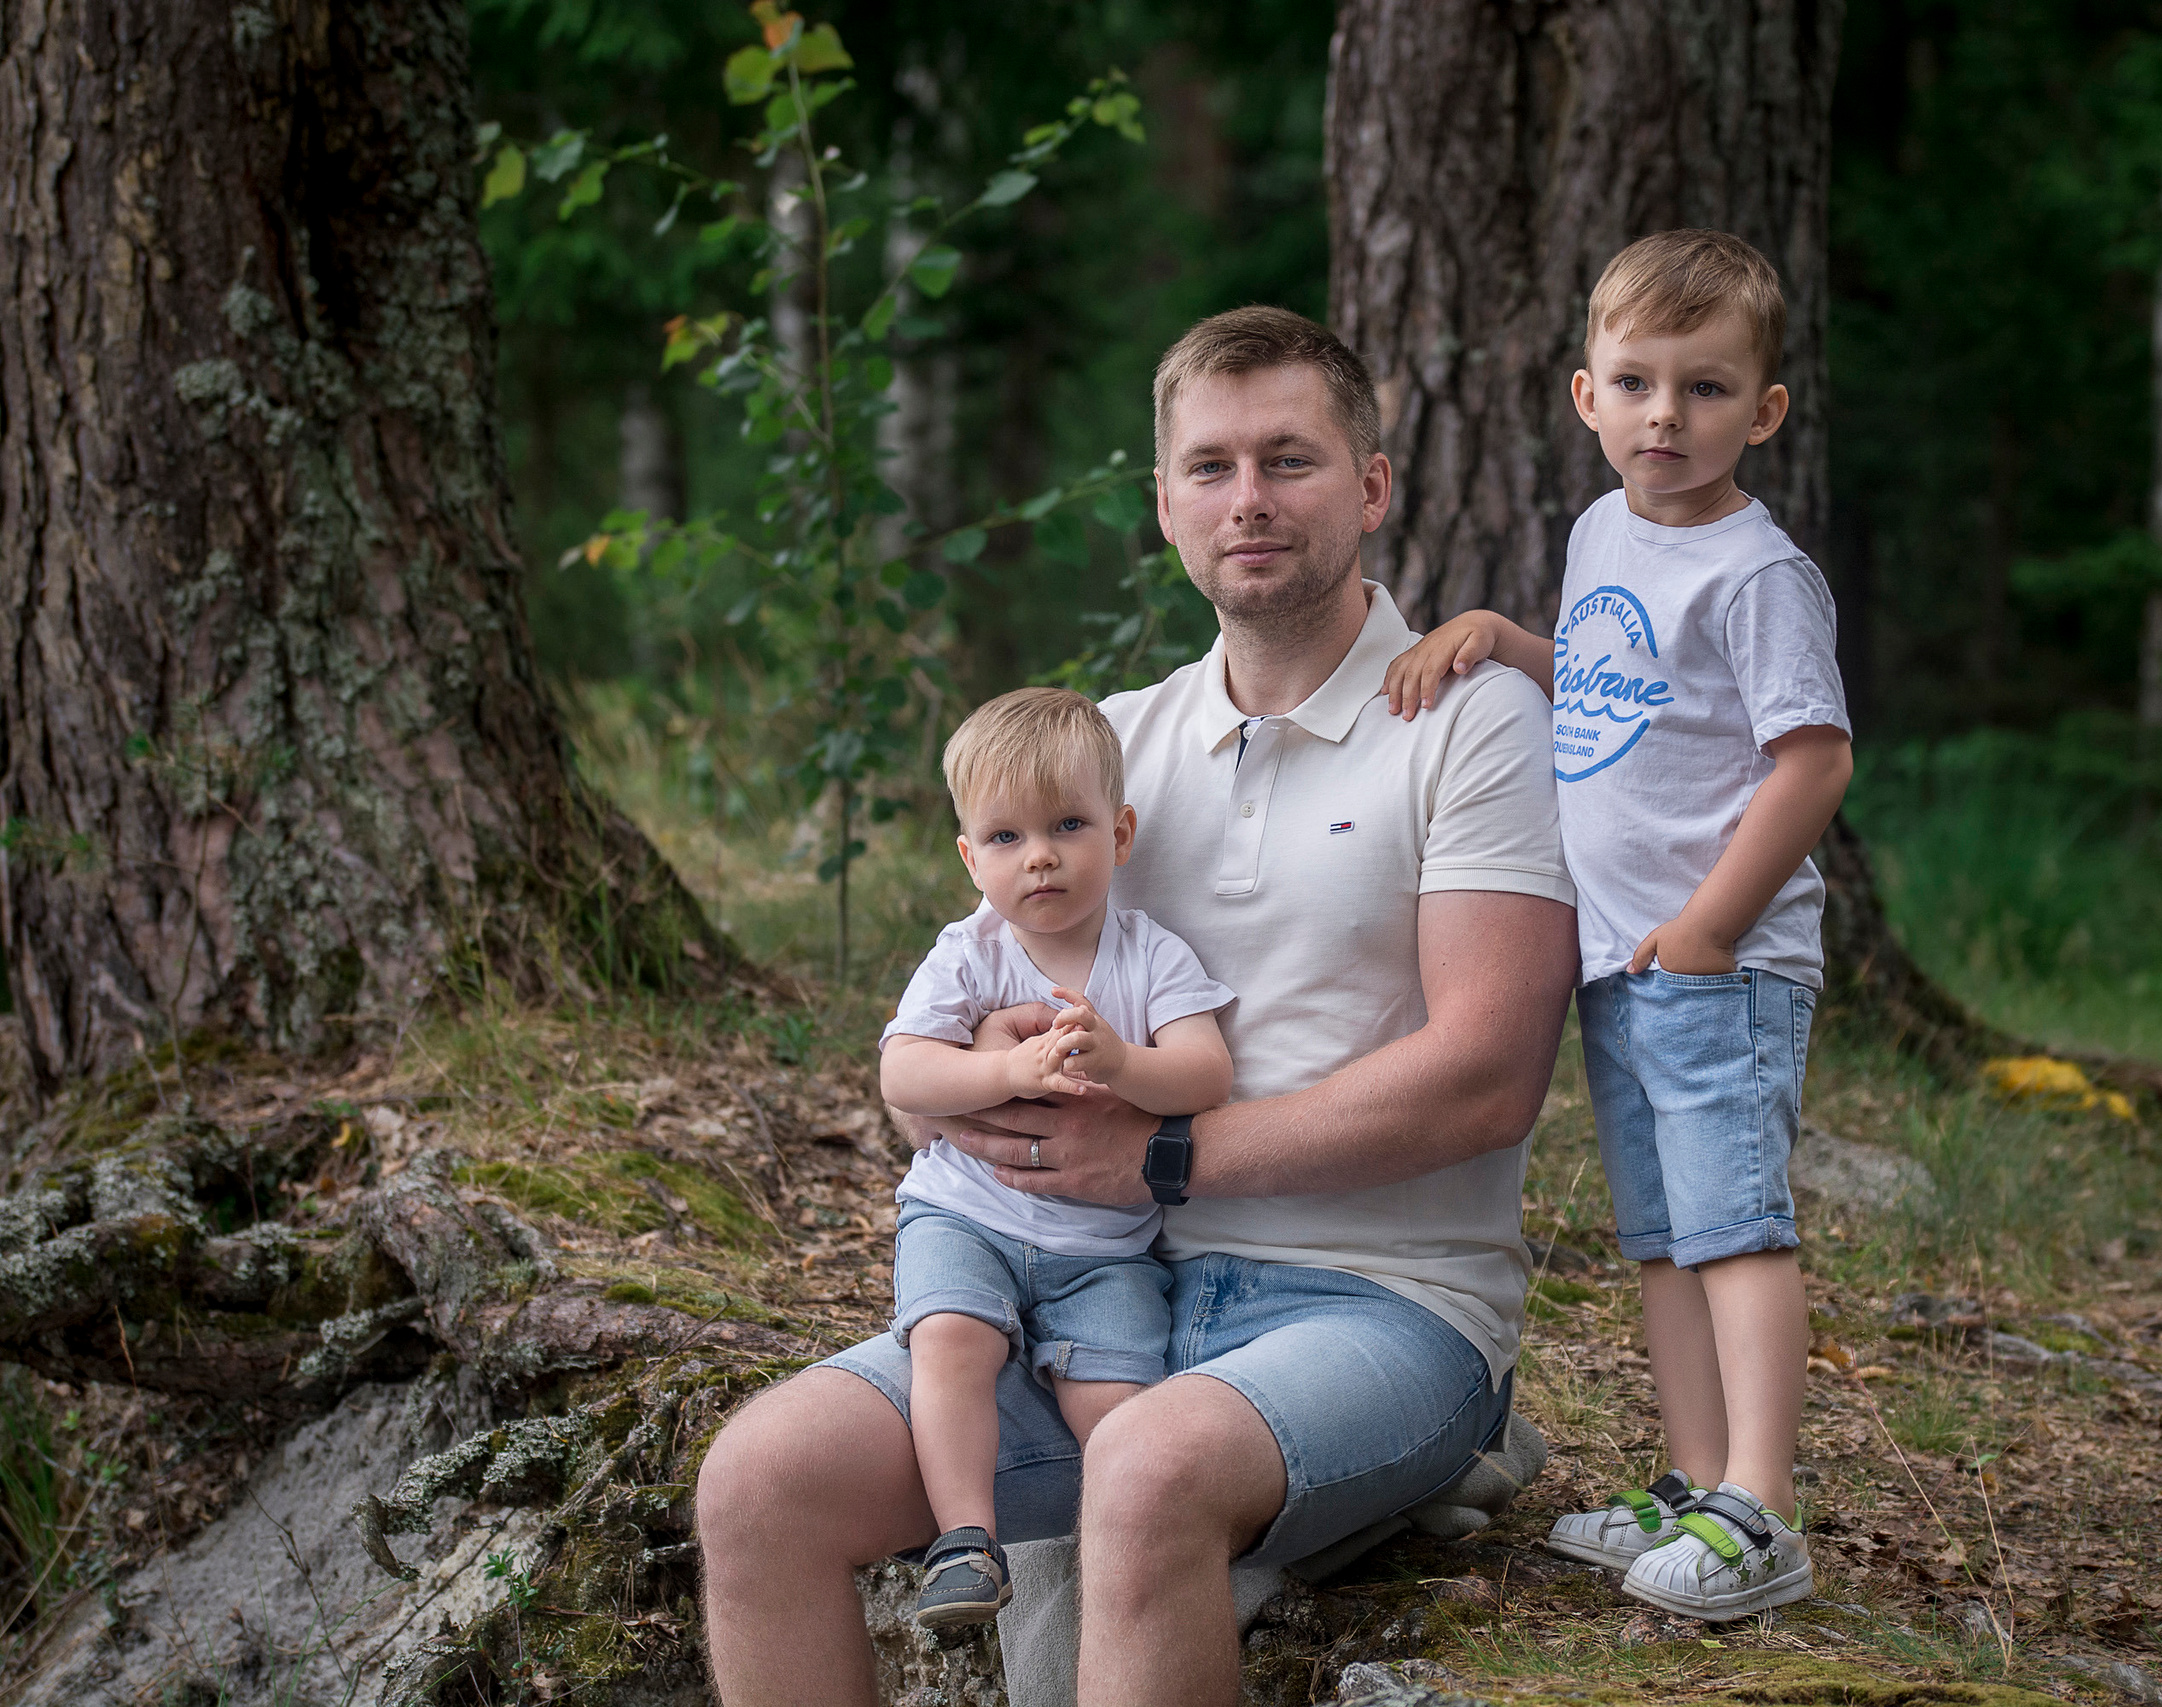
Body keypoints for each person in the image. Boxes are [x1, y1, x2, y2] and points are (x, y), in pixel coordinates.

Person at [695, 304, 1579, 1707]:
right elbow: (984, 980)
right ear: (1163, 504)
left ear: (1369, 486)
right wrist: (991, 1054)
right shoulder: (1116, 748)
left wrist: (1165, 1152)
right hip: (1102, 1293)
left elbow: (1489, 1073)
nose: (1251, 499)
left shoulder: (1472, 724)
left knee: (1151, 1462)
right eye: (1212, 466)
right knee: (760, 1477)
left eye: (1289, 459)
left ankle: (1423, 1461)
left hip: (1387, 1306)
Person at [1382, 228, 1855, 1622]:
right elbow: (1611, 685)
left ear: (1761, 413)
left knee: (1735, 1229)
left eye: (1705, 389)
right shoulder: (1604, 533)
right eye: (1637, 382)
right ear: (1586, 396)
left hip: (1717, 962)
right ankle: (1698, 1481)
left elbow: (1813, 758)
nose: (1667, 415)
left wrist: (1712, 922)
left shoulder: (1758, 574)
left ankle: (1760, 1503)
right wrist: (1500, 637)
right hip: (1623, 958)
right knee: (1662, 1234)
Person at [873, 686, 1236, 1629]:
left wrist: (1122, 1060)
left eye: (1067, 824)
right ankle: (964, 1538)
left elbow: (1205, 1071)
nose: (1038, 854)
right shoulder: (971, 953)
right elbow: (905, 1071)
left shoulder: (1148, 955)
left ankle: (1141, 1561)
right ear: (969, 858)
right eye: (1005, 837)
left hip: (1104, 1247)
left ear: (1119, 835)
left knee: (1118, 1402)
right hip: (966, 1216)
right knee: (951, 1339)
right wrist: (1000, 1064)